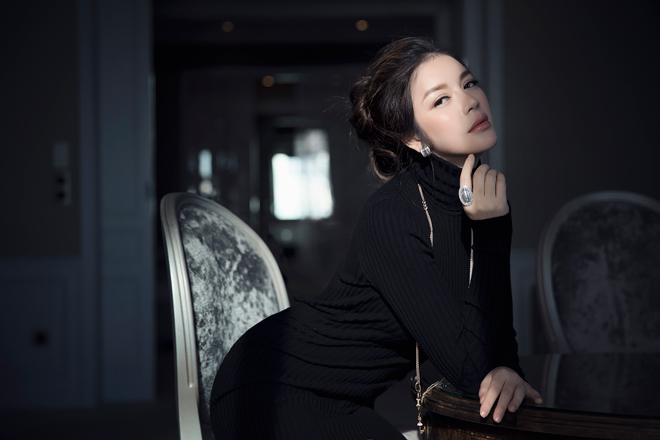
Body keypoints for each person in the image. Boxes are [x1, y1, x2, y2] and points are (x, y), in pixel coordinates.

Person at [210, 36, 542, 440]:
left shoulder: (486, 200)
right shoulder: (392, 213)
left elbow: (495, 334)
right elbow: (469, 372)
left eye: (469, 83)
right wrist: (488, 231)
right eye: (441, 99)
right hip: (272, 384)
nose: (470, 101)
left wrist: (507, 368)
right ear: (413, 137)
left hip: (345, 397)